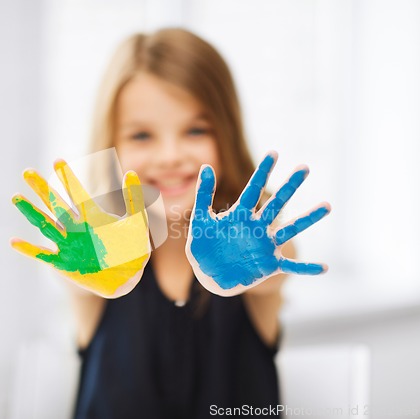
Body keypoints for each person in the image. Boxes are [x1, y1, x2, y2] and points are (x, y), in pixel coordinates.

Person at [68, 28, 297, 419]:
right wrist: (88, 262)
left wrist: (259, 259)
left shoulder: (253, 249)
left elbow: (277, 265)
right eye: (142, 135)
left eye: (195, 130)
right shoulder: (97, 260)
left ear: (226, 132)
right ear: (112, 144)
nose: (170, 155)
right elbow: (71, 278)